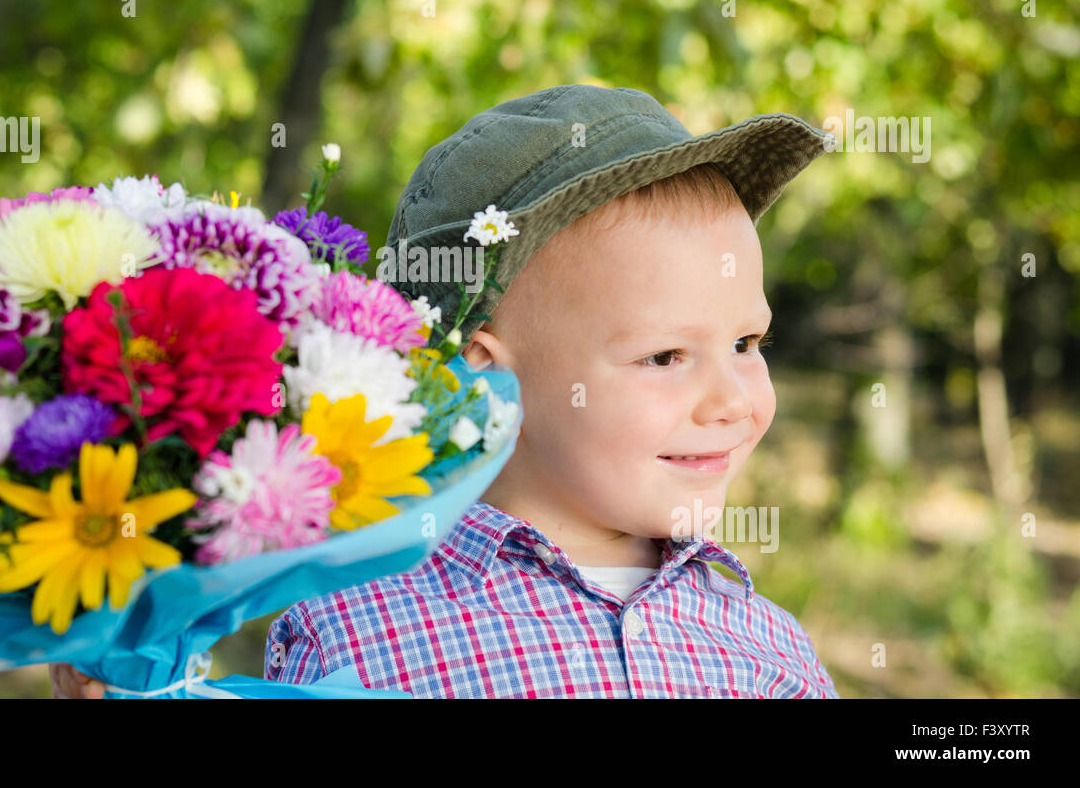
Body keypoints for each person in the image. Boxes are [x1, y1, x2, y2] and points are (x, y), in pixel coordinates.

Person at [262, 84, 840, 697]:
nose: (731, 402)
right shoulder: (358, 641)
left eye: (747, 343)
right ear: (491, 378)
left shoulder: (768, 647)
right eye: (665, 356)